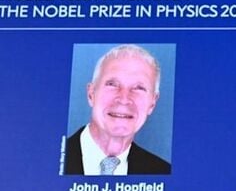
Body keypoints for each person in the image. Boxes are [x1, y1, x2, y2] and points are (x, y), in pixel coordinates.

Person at [64, 44, 171, 175]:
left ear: (152, 103)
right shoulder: (48, 158)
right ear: (91, 94)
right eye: (112, 84)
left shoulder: (162, 172)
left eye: (139, 88)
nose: (124, 99)